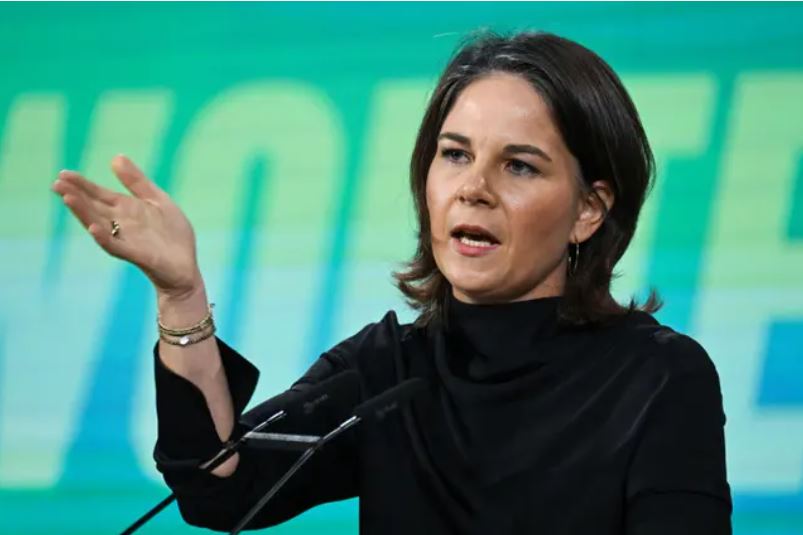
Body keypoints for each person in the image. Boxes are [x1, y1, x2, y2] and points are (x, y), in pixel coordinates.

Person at [51, 31, 732, 534]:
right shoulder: (387, 371)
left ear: (588, 209)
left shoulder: (658, 378)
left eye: (519, 166)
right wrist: (181, 296)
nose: (472, 188)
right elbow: (219, 488)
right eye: (455, 154)